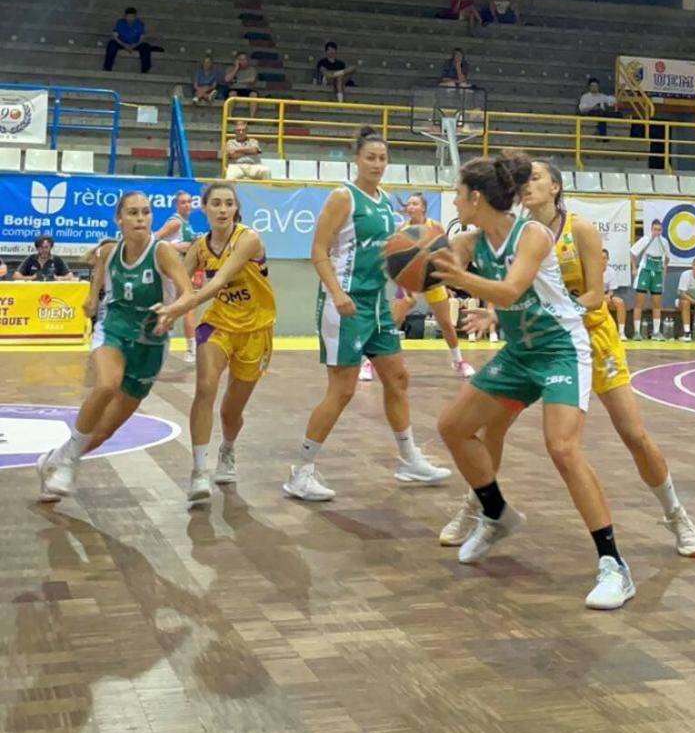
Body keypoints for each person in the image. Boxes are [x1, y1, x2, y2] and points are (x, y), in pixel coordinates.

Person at [440, 158, 695, 566]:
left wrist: (543, 311)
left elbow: (595, 295)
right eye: (523, 179)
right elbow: (519, 289)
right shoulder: (497, 234)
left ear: (556, 188)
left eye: (537, 178)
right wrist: (498, 312)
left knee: (632, 435)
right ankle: (483, 507)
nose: (527, 185)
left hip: (589, 336)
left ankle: (676, 514)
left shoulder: (575, 229)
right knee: (488, 427)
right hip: (532, 338)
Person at [433, 152, 636, 609]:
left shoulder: (534, 236)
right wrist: (412, 253)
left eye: (459, 194)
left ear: (477, 197)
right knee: (452, 427)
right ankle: (496, 513)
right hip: (521, 352)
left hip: (561, 349)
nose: (454, 200)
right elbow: (435, 263)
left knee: (562, 448)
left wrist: (465, 280)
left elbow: (509, 291)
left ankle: (614, 566)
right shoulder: (470, 241)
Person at [283, 126, 451, 502]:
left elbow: (390, 252)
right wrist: (338, 293)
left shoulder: (385, 200)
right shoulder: (344, 197)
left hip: (377, 304)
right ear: (356, 159)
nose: (377, 163)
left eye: (382, 158)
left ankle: (409, 459)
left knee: (398, 377)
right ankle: (301, 471)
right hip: (345, 304)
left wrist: (418, 251)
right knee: (342, 390)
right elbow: (319, 251)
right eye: (370, 157)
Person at [36, 193, 193, 502]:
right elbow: (98, 269)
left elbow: (188, 292)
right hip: (114, 330)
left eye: (146, 212)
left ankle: (54, 459)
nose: (140, 218)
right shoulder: (110, 250)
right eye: (133, 212)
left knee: (105, 431)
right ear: (118, 219)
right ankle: (68, 464)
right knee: (107, 384)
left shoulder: (162, 253)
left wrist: (171, 311)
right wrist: (93, 297)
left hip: (151, 343)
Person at [150, 182, 277, 506]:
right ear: (203, 208)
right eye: (216, 203)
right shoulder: (199, 247)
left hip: (256, 329)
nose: (222, 209)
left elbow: (219, 281)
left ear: (236, 209)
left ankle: (228, 449)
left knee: (231, 411)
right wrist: (166, 313)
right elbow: (181, 287)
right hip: (218, 323)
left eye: (228, 203)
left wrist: (178, 308)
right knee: (205, 387)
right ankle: (199, 470)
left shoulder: (249, 239)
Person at [362, 193, 474, 383]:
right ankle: (369, 363)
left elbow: (444, 255)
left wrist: (444, 282)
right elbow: (396, 264)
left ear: (423, 207)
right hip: (409, 281)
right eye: (409, 204)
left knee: (446, 324)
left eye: (415, 204)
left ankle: (459, 360)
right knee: (393, 322)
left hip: (432, 280)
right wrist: (402, 286)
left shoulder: (434, 227)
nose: (411, 207)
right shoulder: (402, 230)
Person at [154, 191, 198, 362]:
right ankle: (166, 347)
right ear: (176, 205)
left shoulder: (186, 223)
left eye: (189, 201)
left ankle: (189, 349)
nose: (187, 205)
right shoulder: (175, 222)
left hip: (183, 271)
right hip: (172, 273)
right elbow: (155, 240)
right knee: (174, 310)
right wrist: (177, 246)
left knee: (187, 308)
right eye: (183, 202)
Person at [630, 219, 669, 340]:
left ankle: (656, 332)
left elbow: (667, 257)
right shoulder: (645, 240)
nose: (657, 232)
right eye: (655, 229)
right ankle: (636, 332)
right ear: (651, 229)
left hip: (657, 271)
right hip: (645, 270)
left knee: (657, 303)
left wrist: (665, 269)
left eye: (659, 230)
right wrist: (634, 268)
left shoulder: (664, 242)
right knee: (639, 302)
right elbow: (632, 253)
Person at [102, 7, 156, 74]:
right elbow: (115, 37)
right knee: (111, 44)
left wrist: (134, 45)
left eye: (132, 17)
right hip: (122, 43)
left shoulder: (140, 24)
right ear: (125, 16)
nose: (130, 19)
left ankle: (145, 70)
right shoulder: (120, 23)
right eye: (128, 17)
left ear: (135, 17)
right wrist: (125, 45)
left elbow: (142, 38)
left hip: (135, 44)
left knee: (146, 47)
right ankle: (107, 67)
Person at [223, 52, 260, 118]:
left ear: (248, 60)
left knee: (254, 95)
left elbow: (252, 80)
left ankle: (252, 118)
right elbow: (227, 79)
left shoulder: (252, 69)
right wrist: (236, 68)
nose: (243, 61)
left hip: (248, 89)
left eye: (244, 59)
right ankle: (229, 117)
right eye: (240, 59)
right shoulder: (230, 69)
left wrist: (237, 81)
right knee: (232, 93)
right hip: (234, 89)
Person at [602, 248, 626, 338]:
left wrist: (607, 296)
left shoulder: (611, 271)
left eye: (605, 258)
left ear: (608, 259)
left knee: (620, 302)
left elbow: (611, 291)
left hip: (607, 295)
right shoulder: (593, 270)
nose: (603, 260)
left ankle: (621, 332)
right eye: (600, 258)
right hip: (595, 296)